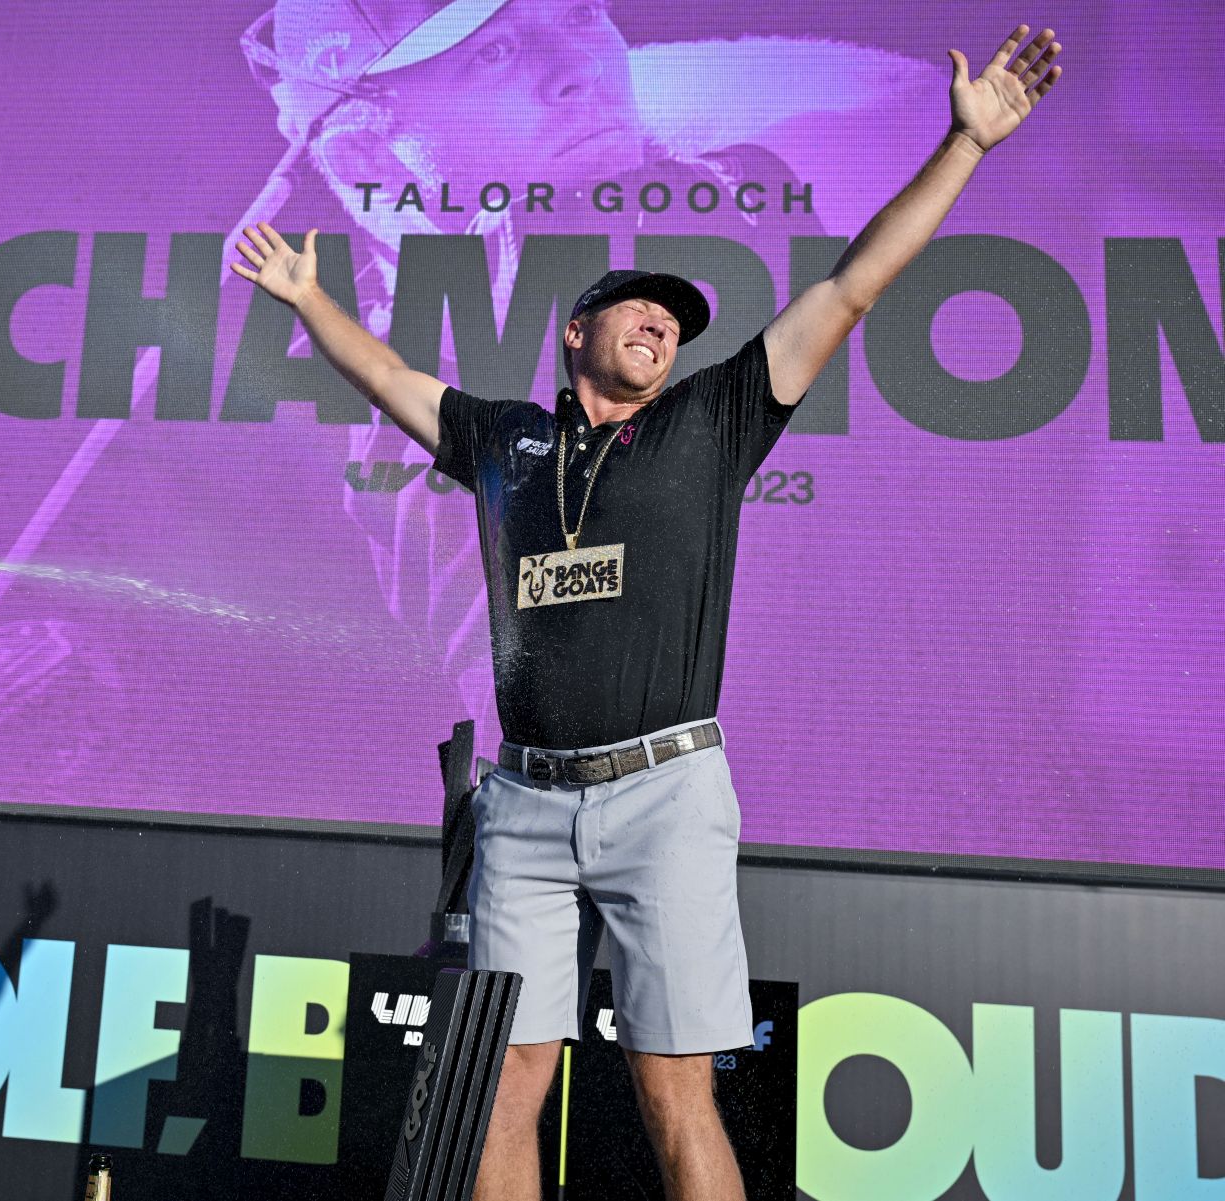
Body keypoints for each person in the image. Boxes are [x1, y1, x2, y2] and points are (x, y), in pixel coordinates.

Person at [234, 24, 1061, 1201]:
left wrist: (964, 147)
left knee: (676, 1090)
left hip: (663, 792)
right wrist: (312, 300)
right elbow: (387, 379)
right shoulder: (509, 441)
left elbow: (852, 283)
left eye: (673, 318)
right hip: (521, 803)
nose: (660, 324)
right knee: (505, 1082)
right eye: (634, 310)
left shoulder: (712, 422)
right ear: (576, 337)